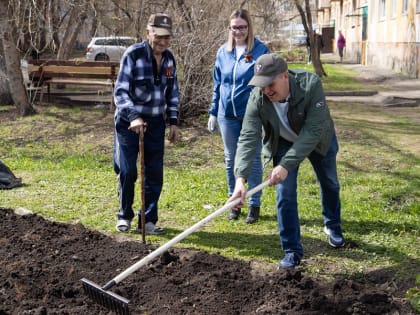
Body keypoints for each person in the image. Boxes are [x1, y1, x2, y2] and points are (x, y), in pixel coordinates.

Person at [226, 53, 345, 268]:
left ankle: (333, 225)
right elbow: (247, 137)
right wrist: (240, 179)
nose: (266, 90)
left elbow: (312, 131)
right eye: (261, 85)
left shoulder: (310, 85)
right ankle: (292, 250)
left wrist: (285, 165)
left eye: (270, 84)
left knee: (330, 183)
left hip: (318, 139)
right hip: (283, 141)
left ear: (284, 76)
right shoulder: (258, 98)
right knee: (285, 193)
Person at [113, 13, 179, 234]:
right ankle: (124, 216)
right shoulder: (133, 54)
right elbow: (121, 91)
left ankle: (148, 220)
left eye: (167, 37)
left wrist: (173, 122)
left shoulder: (169, 59)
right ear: (148, 32)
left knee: (154, 173)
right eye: (158, 36)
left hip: (154, 123)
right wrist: (133, 116)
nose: (162, 41)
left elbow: (172, 92)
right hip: (128, 121)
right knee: (128, 170)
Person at [208, 8, 269, 224]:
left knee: (252, 158)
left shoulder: (260, 50)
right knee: (230, 158)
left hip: (250, 114)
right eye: (234, 27)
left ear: (249, 27)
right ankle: (234, 201)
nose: (238, 31)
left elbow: (266, 85)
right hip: (227, 114)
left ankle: (254, 203)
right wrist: (214, 111)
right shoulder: (223, 52)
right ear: (230, 28)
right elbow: (218, 83)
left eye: (242, 27)